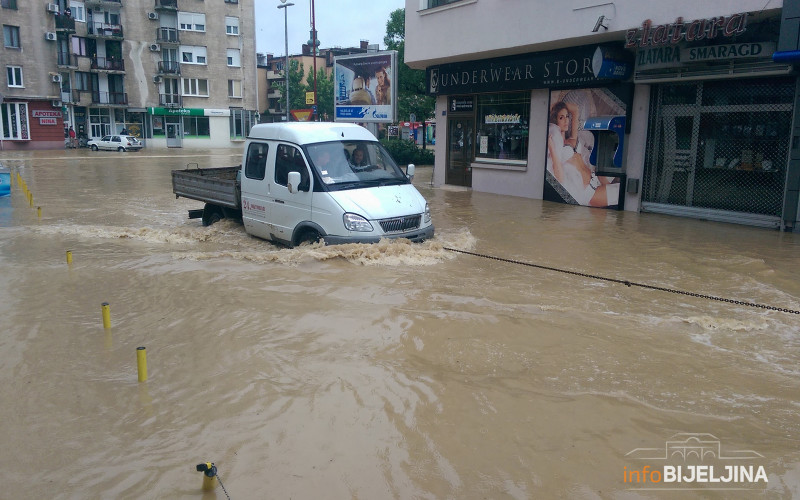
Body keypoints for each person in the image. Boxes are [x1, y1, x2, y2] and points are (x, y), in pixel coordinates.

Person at [547, 101, 619, 207]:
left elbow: (575, 109)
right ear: (555, 121)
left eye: (567, 116)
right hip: (589, 193)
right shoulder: (557, 146)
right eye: (561, 118)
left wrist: (558, 106)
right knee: (622, 193)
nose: (566, 120)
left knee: (619, 177)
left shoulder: (571, 140)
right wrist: (552, 148)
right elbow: (559, 178)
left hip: (596, 179)